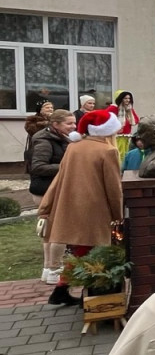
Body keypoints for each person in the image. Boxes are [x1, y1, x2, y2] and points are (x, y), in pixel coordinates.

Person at [37, 108, 124, 306]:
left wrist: (48, 205)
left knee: (80, 250)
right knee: (91, 251)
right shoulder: (108, 151)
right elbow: (113, 187)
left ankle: (62, 288)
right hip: (94, 209)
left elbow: (61, 176)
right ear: (106, 130)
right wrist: (117, 214)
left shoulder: (74, 146)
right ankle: (91, 294)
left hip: (71, 205)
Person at [28, 109, 76, 283]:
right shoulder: (44, 141)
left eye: (74, 122)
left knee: (49, 232)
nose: (73, 126)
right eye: (69, 123)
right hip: (46, 190)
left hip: (50, 190)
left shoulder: (59, 138)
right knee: (59, 232)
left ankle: (48, 269)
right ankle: (55, 269)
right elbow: (38, 166)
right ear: (55, 124)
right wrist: (66, 166)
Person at [113, 90, 140, 161]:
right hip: (117, 136)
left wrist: (130, 115)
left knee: (126, 153)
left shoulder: (129, 109)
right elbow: (106, 119)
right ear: (120, 98)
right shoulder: (114, 108)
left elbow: (136, 120)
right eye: (125, 98)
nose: (128, 100)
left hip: (127, 136)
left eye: (129, 98)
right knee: (119, 153)